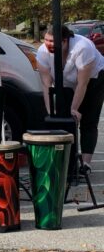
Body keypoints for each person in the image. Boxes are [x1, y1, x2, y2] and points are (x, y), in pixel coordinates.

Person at [36, 25, 104, 174]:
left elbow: (82, 83)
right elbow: (46, 84)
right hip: (65, 83)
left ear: (65, 41)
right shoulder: (42, 52)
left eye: (52, 41)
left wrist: (75, 109)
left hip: (93, 80)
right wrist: (50, 112)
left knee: (88, 120)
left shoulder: (83, 48)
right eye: (46, 40)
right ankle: (66, 161)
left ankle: (86, 164)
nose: (48, 44)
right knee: (62, 119)